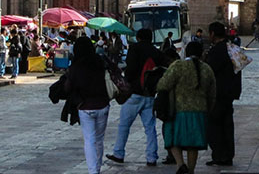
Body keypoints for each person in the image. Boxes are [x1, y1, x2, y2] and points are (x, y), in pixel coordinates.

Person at [107, 28, 169, 166]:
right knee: (150, 127)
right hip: (150, 94)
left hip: (134, 93)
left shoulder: (135, 49)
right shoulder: (156, 52)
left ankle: (119, 153)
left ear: (139, 37)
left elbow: (130, 69)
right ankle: (151, 157)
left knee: (124, 125)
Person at [156, 42, 216, 174]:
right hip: (200, 112)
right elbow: (212, 94)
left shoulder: (178, 66)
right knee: (192, 145)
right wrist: (208, 110)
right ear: (201, 53)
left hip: (178, 111)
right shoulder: (207, 69)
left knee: (172, 138)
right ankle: (191, 170)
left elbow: (162, 85)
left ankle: (180, 164)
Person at [66, 36, 110, 174]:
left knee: (89, 140)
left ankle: (93, 171)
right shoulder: (100, 62)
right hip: (102, 104)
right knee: (99, 139)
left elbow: (68, 87)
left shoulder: (76, 66)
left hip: (85, 107)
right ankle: (97, 167)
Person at [205, 21, 240, 167]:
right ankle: (227, 155)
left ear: (213, 34)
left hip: (217, 94)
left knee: (215, 126)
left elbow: (209, 72)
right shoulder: (232, 48)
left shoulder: (216, 51)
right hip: (230, 92)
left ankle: (219, 155)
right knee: (227, 125)